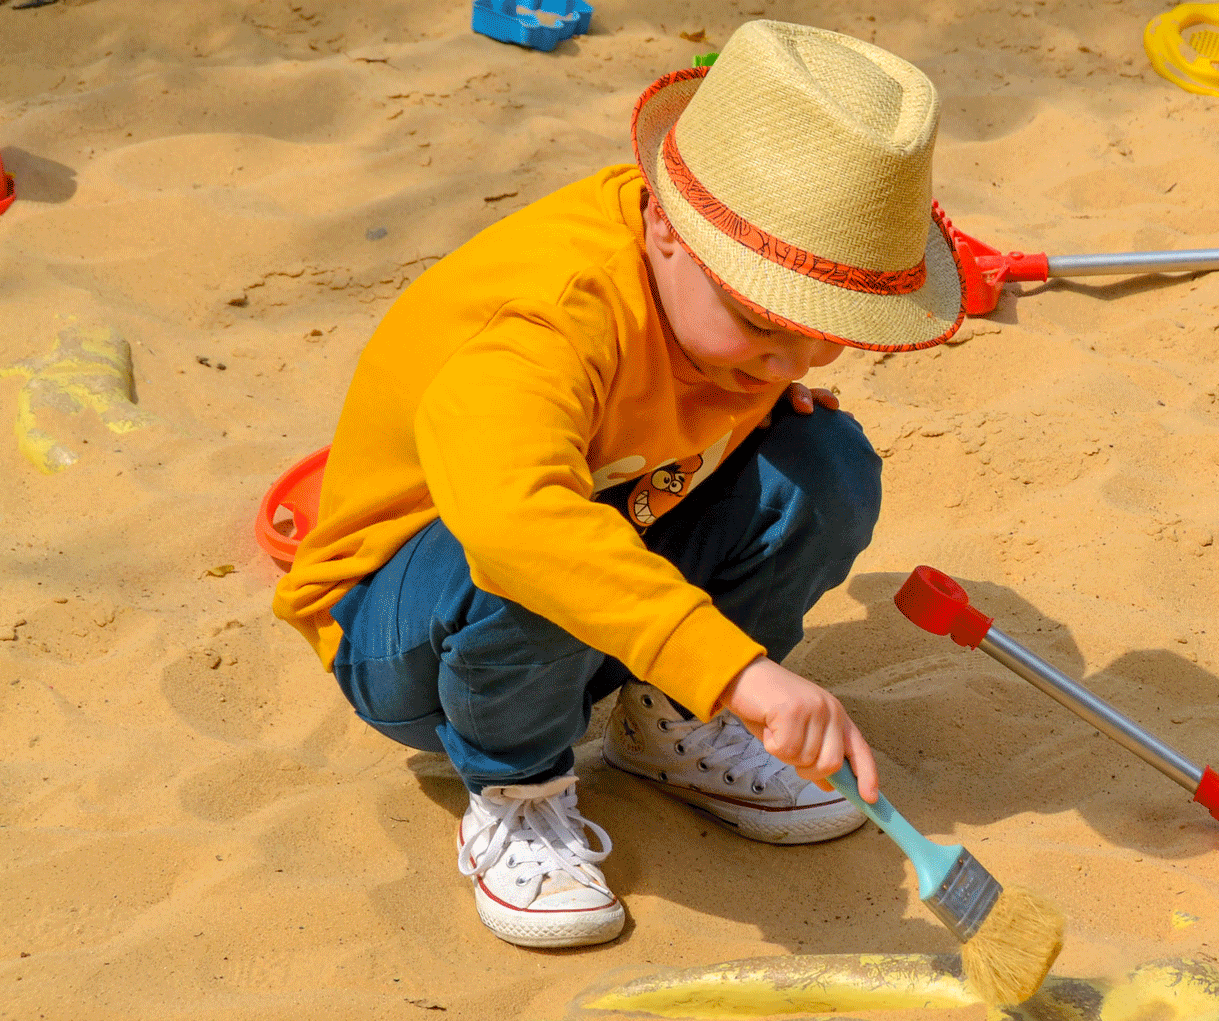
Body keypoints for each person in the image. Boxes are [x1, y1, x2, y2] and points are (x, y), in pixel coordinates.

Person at [271, 21, 965, 948]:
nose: (792, 356)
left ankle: (667, 723)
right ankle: (515, 790)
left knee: (824, 466)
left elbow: (723, 390)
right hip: (412, 627)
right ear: (666, 229)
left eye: (825, 327)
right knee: (546, 564)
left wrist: (768, 390)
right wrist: (744, 672)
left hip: (616, 536)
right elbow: (522, 528)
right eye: (766, 319)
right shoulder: (551, 316)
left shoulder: (728, 324)